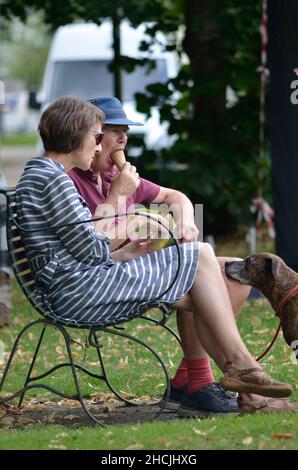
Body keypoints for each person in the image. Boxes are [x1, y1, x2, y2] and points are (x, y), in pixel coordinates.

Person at [16, 96, 293, 418]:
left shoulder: (48, 175)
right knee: (201, 255)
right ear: (77, 135)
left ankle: (239, 383)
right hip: (77, 291)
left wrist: (130, 248)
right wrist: (129, 213)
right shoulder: (54, 179)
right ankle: (239, 371)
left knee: (227, 271)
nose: (97, 146)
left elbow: (83, 247)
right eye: (98, 135)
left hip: (83, 280)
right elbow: (90, 249)